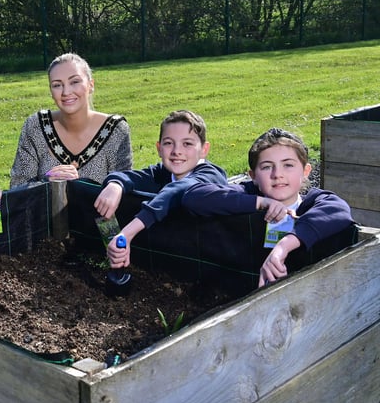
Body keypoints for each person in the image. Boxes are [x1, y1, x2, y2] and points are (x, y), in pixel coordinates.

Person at [181, 127, 355, 288]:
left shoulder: (314, 201)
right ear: (253, 176)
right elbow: (194, 196)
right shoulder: (247, 193)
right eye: (266, 167)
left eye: (288, 165)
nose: (277, 174)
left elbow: (339, 209)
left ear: (305, 171)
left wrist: (283, 247)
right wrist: (261, 203)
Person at [95, 109, 227, 268]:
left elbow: (176, 191)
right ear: (159, 148)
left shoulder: (211, 175)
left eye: (187, 144)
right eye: (168, 143)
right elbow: (132, 176)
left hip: (213, 262)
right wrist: (115, 185)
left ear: (204, 150)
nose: (177, 151)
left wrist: (127, 233)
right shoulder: (162, 172)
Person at [10, 53, 132, 188]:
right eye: (57, 85)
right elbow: (17, 189)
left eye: (75, 82)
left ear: (91, 85)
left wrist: (81, 185)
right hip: (44, 210)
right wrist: (47, 183)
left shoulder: (115, 130)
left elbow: (123, 191)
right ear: (51, 91)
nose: (66, 92)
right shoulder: (35, 126)